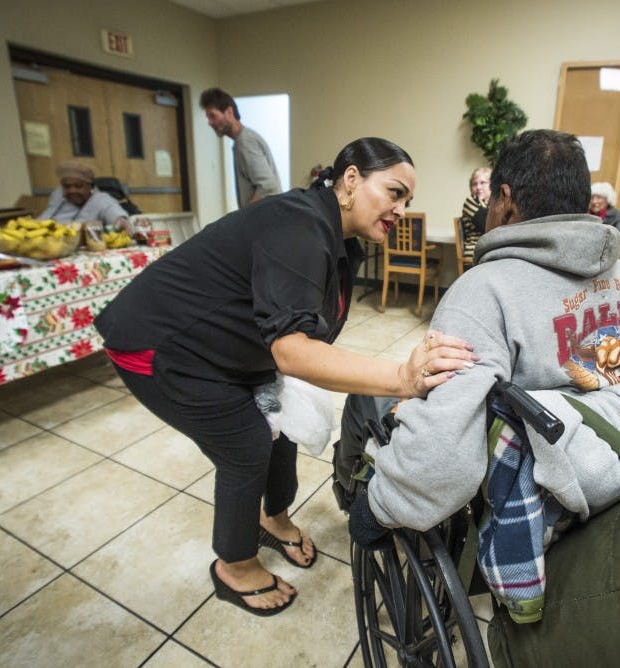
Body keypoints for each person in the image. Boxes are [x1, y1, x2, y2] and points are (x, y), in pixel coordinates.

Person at [93, 137, 478, 617]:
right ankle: (233, 566)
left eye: (408, 201)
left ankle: (273, 519)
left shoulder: (340, 237)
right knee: (246, 444)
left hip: (222, 346)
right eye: (395, 192)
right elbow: (293, 352)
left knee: (281, 426)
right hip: (160, 343)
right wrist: (403, 376)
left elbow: (304, 335)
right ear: (351, 179)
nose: (401, 209)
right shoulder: (298, 226)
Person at [349, 130, 620, 543]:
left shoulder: (484, 290)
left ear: (506, 199)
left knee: (363, 398)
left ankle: (348, 491)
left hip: (535, 493)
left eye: (492, 196)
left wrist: (379, 507)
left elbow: (445, 460)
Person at [200, 87, 282, 208]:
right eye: (208, 117)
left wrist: (243, 217)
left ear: (229, 112)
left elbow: (268, 186)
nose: (210, 122)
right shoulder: (242, 141)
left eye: (213, 116)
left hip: (266, 222)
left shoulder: (245, 142)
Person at [39, 161, 132, 233]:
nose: (72, 191)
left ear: (90, 186)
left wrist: (121, 221)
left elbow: (116, 214)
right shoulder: (58, 194)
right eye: (67, 186)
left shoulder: (101, 200)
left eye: (78, 186)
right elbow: (45, 216)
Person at [458, 167, 491, 263]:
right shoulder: (470, 202)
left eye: (483, 183)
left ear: (491, 185)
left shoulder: (494, 204)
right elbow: (487, 226)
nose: (478, 187)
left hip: (488, 252)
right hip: (475, 253)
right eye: (474, 184)